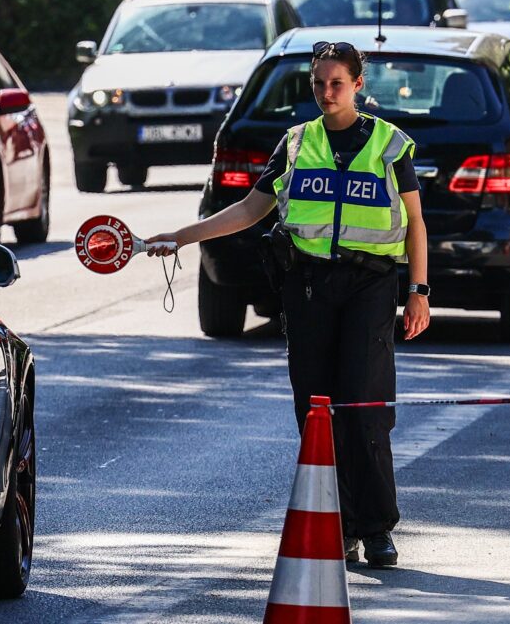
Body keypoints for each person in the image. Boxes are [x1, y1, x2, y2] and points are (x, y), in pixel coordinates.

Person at [146, 41, 430, 568]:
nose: (327, 92)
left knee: (364, 408)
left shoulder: (391, 145)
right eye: (319, 83)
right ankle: (337, 524)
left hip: (370, 286)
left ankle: (376, 529)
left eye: (337, 83)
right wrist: (181, 236)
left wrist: (418, 292)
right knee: (316, 410)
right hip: (308, 289)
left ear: (357, 86)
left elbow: (416, 224)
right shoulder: (297, 143)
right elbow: (252, 208)